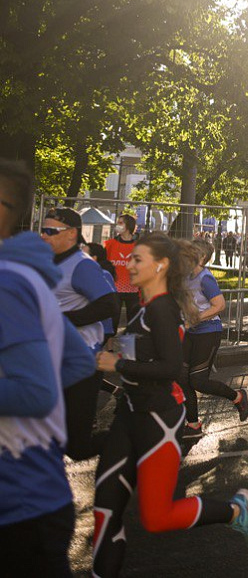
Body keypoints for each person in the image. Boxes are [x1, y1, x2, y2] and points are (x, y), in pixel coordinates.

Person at [91, 234, 248, 576]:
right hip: (131, 414)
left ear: (161, 266)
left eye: (137, 259)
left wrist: (118, 365)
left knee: (156, 519)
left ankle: (235, 512)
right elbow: (139, 357)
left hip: (158, 419)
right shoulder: (145, 306)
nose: (129, 264)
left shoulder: (162, 309)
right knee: (106, 509)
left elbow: (170, 369)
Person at [0, 160, 96, 576]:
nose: (47, 235)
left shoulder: (11, 280)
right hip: (37, 494)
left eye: (55, 230)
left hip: (18, 503)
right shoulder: (28, 276)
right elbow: (76, 361)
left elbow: (38, 391)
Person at [41, 207, 119, 461]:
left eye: (51, 231)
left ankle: (134, 442)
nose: (44, 235)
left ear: (72, 234)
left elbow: (109, 304)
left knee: (77, 446)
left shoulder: (81, 266)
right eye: (43, 229)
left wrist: (62, 320)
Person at [177, 240, 248, 440]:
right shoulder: (186, 276)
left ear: (201, 258)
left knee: (198, 381)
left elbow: (219, 305)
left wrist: (194, 319)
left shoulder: (205, 279)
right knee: (182, 378)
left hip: (208, 332)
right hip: (189, 332)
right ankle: (193, 424)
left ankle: (238, 397)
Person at [103, 213, 138, 297]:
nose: (117, 225)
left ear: (128, 226)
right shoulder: (110, 244)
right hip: (114, 287)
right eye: (118, 223)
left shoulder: (138, 246)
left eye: (121, 223)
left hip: (133, 288)